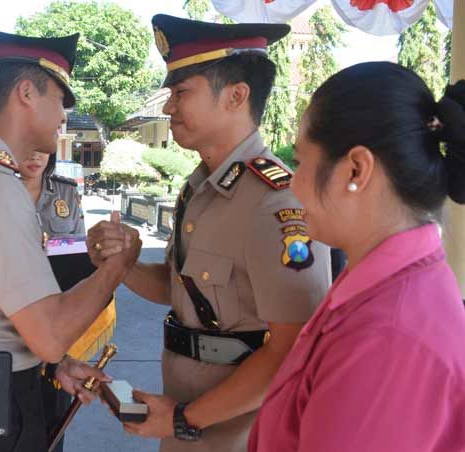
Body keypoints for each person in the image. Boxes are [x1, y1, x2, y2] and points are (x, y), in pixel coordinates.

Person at [87, 15, 331, 451]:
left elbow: (296, 348)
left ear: (236, 96)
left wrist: (184, 419)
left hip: (241, 433)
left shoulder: (278, 203)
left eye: (181, 93)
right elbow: (180, 291)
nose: (167, 107)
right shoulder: (199, 188)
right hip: (182, 423)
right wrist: (119, 264)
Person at [0, 28, 140, 452]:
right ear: (26, 92)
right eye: (60, 99)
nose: (63, 116)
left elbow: (5, 316)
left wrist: (52, 364)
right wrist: (116, 267)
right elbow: (50, 334)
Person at [249, 63, 465, 452]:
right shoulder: (382, 287)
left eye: (300, 162)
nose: (293, 185)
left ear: (356, 169)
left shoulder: (389, 336)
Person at [20, 150, 117, 452]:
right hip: (11, 317)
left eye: (43, 152)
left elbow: (80, 254)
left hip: (56, 321)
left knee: (54, 416)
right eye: (28, 149)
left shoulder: (65, 191)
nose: (35, 158)